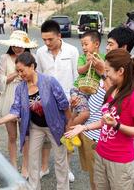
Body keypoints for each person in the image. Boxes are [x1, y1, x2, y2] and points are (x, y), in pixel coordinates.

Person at [0, 52, 72, 190]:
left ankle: (63, 187)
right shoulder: (21, 88)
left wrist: (69, 126)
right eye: (18, 71)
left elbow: (64, 105)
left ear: (32, 66)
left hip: (55, 126)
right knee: (32, 159)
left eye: (22, 70)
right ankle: (33, 187)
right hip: (36, 127)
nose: (20, 74)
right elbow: (16, 110)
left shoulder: (49, 82)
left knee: (60, 160)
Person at [66, 48, 134, 190]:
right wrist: (84, 127)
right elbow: (105, 120)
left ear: (120, 71)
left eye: (108, 70)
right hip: (101, 154)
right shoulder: (112, 90)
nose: (106, 74)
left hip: (121, 163)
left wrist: (117, 125)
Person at [72, 26, 134, 190]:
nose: (106, 47)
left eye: (110, 44)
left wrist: (102, 72)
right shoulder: (107, 62)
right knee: (96, 181)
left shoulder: (128, 71)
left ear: (123, 48)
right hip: (90, 131)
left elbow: (116, 97)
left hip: (102, 137)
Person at [35, 19, 79, 182]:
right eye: (44, 39)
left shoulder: (72, 51)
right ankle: (44, 167)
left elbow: (76, 76)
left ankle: (66, 168)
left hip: (68, 102)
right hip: (46, 103)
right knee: (46, 137)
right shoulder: (40, 52)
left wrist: (75, 95)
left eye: (50, 39)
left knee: (67, 135)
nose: (47, 43)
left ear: (59, 36)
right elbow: (38, 76)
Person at [0, 30, 38, 179]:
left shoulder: (31, 58)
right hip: (9, 95)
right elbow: (1, 80)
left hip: (25, 95)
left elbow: (34, 79)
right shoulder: (4, 58)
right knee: (12, 136)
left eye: (20, 45)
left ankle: (25, 166)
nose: (17, 48)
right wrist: (17, 72)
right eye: (14, 45)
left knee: (26, 135)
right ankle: (13, 164)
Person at [70, 30, 105, 127]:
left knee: (80, 112)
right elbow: (80, 70)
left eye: (86, 44)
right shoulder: (82, 57)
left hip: (92, 89)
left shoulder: (103, 58)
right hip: (79, 89)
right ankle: (69, 130)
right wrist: (88, 64)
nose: (83, 47)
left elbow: (104, 72)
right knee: (85, 114)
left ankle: (74, 130)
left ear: (96, 44)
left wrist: (97, 65)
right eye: (82, 45)